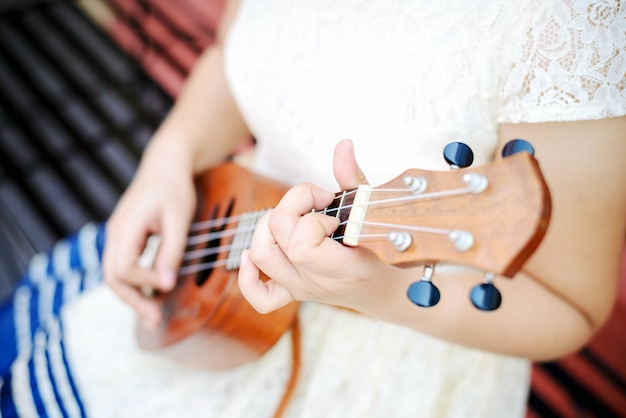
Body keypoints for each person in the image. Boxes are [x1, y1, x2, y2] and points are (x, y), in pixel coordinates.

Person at [2, 0, 625, 417]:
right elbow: (232, 56)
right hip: (214, 229)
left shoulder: (572, 24)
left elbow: (568, 303)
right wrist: (169, 155)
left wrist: (379, 293)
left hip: (386, 357)